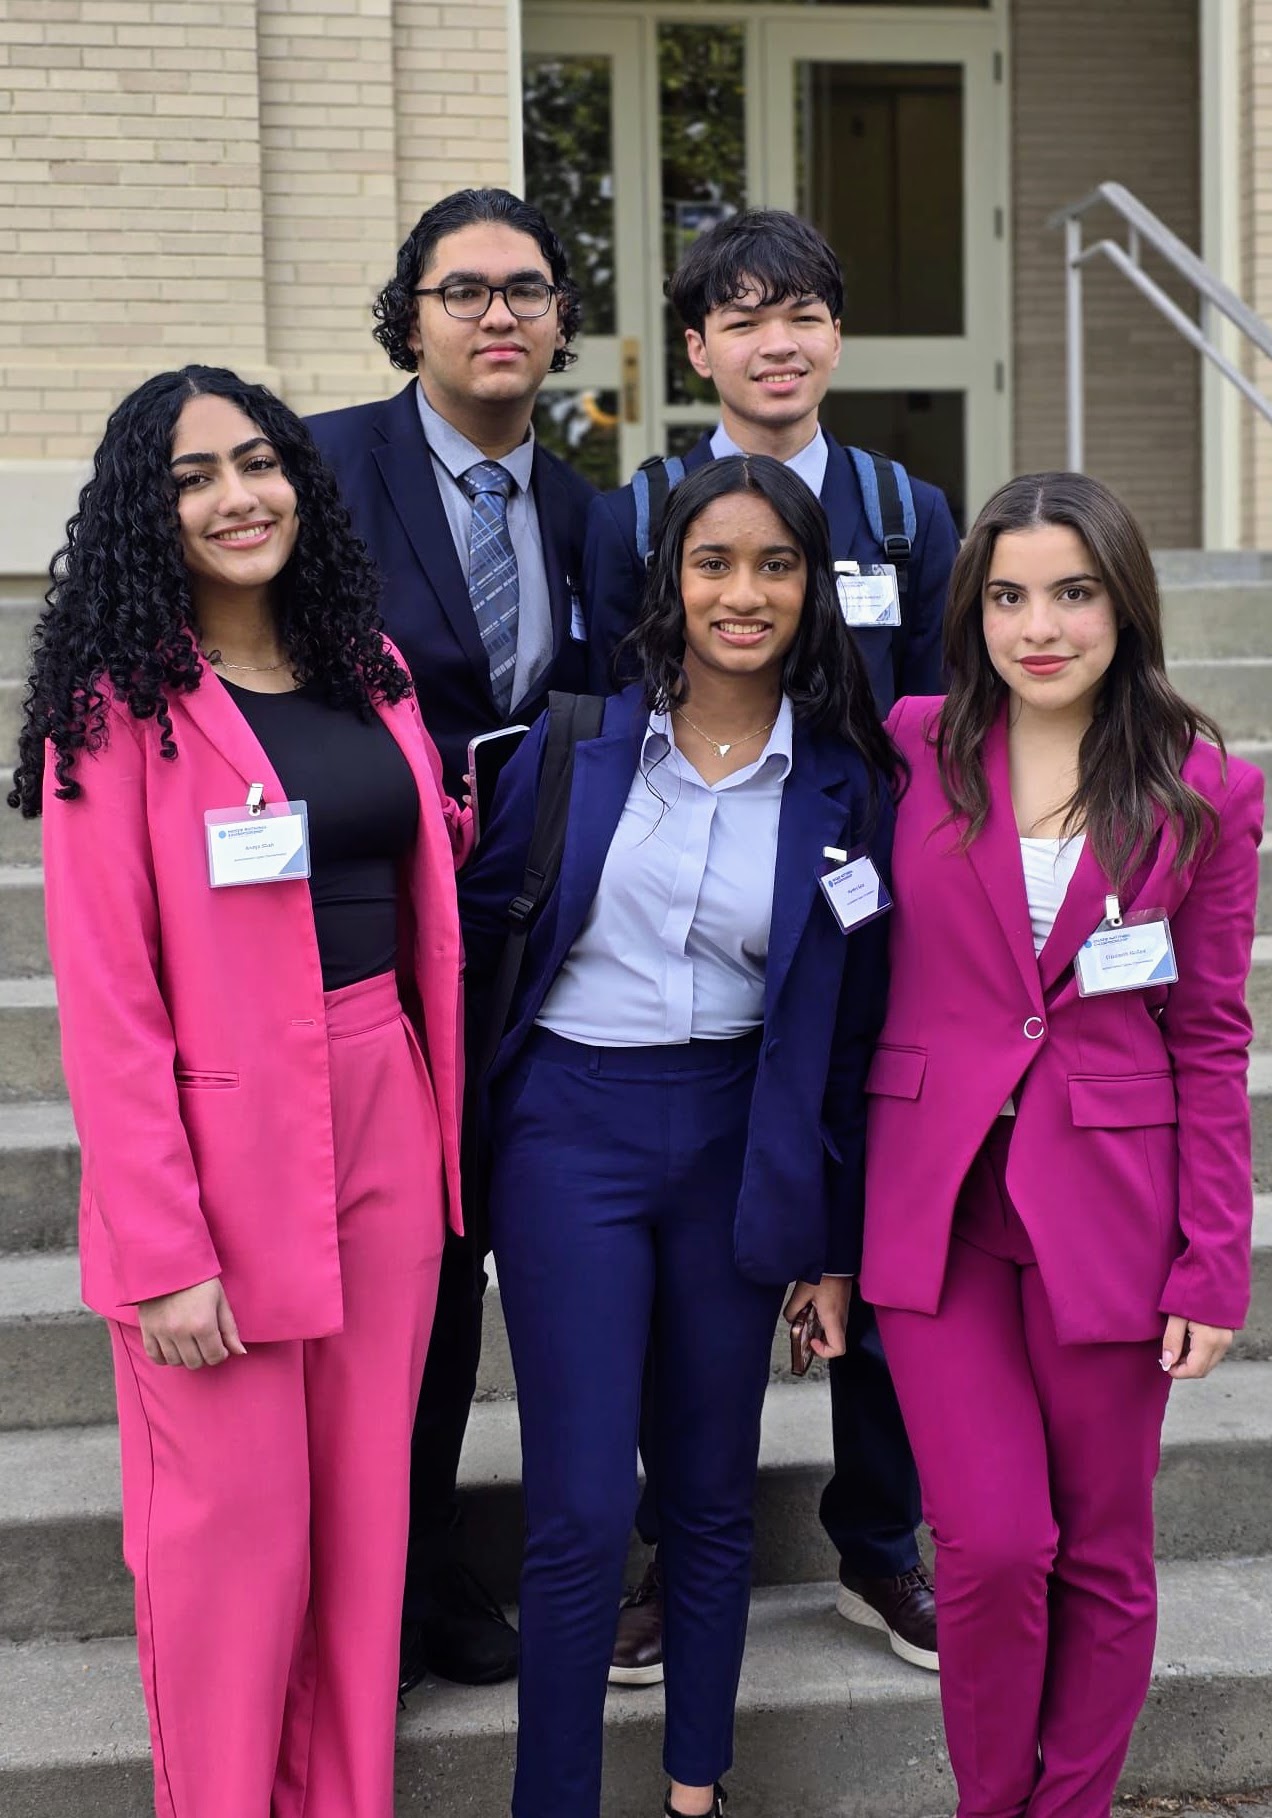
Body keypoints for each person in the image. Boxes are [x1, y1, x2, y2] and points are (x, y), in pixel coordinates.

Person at [8, 365, 468, 1818]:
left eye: (257, 462)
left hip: (382, 1104)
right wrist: (162, 1248)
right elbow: (107, 996)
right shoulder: (115, 710)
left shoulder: (371, 670)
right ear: (153, 515)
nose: (236, 496)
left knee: (359, 1531)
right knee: (231, 1546)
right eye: (195, 476)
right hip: (218, 1148)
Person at [460, 454, 899, 1818]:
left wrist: (830, 1243)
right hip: (569, 1137)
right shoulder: (579, 737)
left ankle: (694, 1790)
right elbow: (482, 936)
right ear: (671, 580)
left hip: (733, 1141)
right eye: (715, 562)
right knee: (585, 1506)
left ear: (811, 588)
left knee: (711, 1492)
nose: (744, 592)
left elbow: (847, 1031)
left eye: (775, 564)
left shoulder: (843, 783)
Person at [584, 207, 957, 1683]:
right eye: (740, 318)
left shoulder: (905, 508)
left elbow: (941, 730)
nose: (774, 341)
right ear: (696, 350)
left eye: (798, 312)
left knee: (872, 1229)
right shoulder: (637, 513)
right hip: (704, 939)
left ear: (835, 336)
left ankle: (880, 1544)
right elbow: (612, 708)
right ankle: (684, 1544)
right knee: (695, 1270)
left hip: (865, 929)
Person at [860, 471, 1264, 1818]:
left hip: (1109, 1208)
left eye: (1074, 592)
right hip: (939, 1206)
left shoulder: (1205, 787)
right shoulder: (910, 743)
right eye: (1010, 595)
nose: (1040, 626)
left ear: (1123, 604)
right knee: (987, 1542)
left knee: (1101, 1548)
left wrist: (1215, 1259)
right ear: (971, 609)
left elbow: (1208, 1030)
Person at [308, 187, 595, 1691]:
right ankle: (372, 1582)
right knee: (386, 1268)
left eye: (527, 290)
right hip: (357, 930)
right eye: (464, 288)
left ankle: (421, 1566)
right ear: (408, 312)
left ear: (559, 320)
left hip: (518, 939)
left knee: (464, 1254)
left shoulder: (579, 502)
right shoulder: (321, 464)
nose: (499, 313)